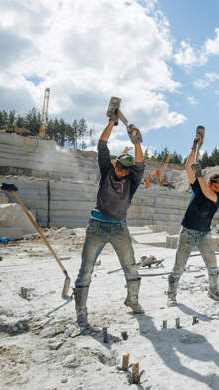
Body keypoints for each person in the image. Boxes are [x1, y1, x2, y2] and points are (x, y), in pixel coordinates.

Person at [73, 108, 145, 330]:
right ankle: (81, 313)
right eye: (122, 168)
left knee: (131, 267)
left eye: (127, 169)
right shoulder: (107, 171)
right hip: (97, 225)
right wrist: (112, 123)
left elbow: (140, 164)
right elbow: (102, 145)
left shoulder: (132, 180)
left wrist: (137, 143)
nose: (124, 172)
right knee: (86, 270)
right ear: (115, 165)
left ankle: (132, 299)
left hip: (119, 228)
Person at [166, 126, 219, 306]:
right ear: (211, 182)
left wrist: (199, 173)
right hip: (187, 232)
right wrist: (195, 146)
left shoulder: (216, 196)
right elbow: (187, 167)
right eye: (218, 184)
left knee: (212, 266)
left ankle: (213, 291)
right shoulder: (198, 186)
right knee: (179, 266)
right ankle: (171, 295)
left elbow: (208, 193)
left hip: (204, 234)